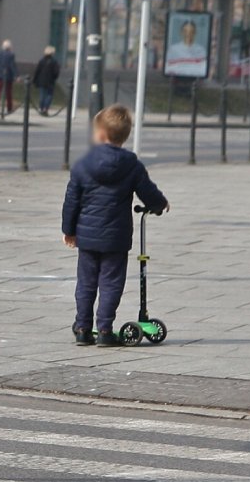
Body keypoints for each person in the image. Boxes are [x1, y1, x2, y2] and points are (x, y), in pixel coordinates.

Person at [62, 105, 169, 347]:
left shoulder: (82, 164)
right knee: (111, 282)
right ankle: (105, 329)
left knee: (86, 282)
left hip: (87, 237)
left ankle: (82, 328)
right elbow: (147, 192)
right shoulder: (132, 165)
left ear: (100, 134)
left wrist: (68, 230)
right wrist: (160, 204)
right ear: (124, 136)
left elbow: (71, 200)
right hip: (116, 238)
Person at [0, 39, 18, 113]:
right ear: (10, 47)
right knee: (8, 92)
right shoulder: (11, 55)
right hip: (8, 76)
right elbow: (12, 66)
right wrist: (16, 75)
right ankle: (9, 107)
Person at [33, 46, 61, 114]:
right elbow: (56, 72)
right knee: (49, 95)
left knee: (42, 95)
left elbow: (37, 71)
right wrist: (54, 78)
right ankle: (46, 108)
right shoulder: (54, 62)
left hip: (42, 80)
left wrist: (35, 79)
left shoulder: (41, 61)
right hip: (50, 81)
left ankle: (41, 108)